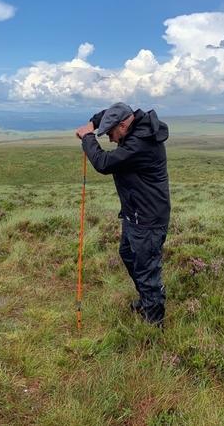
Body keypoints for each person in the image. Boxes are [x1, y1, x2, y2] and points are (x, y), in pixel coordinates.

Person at [76, 102, 170, 327]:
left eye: (110, 133)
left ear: (123, 126)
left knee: (147, 270)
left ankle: (154, 324)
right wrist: (93, 123)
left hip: (147, 219)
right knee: (128, 254)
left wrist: (88, 137)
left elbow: (104, 163)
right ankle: (148, 300)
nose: (109, 138)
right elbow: (106, 113)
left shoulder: (141, 143)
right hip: (135, 214)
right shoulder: (134, 125)